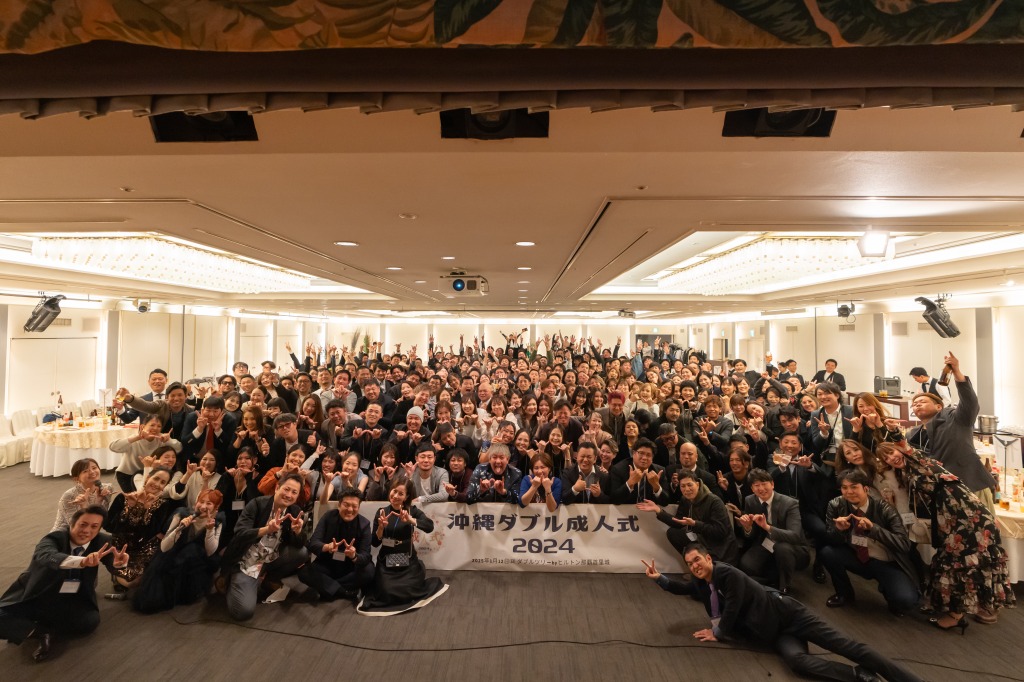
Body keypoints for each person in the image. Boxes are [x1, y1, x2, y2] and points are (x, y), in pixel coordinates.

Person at [642, 546, 923, 682]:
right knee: (798, 663)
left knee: (848, 646)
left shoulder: (726, 573)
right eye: (689, 564)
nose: (694, 566)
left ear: (708, 558)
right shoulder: (703, 583)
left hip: (791, 615)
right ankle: (859, 675)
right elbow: (682, 588)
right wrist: (660, 579)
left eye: (697, 560)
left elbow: (733, 606)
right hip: (774, 631)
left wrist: (718, 632)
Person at [878, 442, 1015, 628]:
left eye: (891, 452)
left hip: (967, 518)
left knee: (961, 563)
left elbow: (919, 458)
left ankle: (958, 615)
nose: (891, 458)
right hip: (954, 519)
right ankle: (963, 609)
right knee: (957, 562)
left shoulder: (922, 462)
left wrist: (904, 445)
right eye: (886, 458)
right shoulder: (909, 471)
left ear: (901, 449)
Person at [0, 506, 129, 662]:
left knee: (89, 622)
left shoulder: (103, 541)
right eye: (83, 524)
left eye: (94, 527)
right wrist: (82, 562)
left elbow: (114, 565)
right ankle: (40, 632)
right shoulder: (54, 538)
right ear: (72, 524)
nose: (87, 530)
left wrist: (119, 565)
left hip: (73, 597)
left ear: (99, 529)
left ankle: (31, 627)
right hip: (39, 593)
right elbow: (46, 556)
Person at [820, 469, 920, 615]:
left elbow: (904, 544)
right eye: (844, 487)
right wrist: (839, 530)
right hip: (858, 557)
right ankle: (844, 594)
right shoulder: (835, 505)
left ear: (866, 489)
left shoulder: (885, 508)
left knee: (906, 601)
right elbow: (830, 539)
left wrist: (874, 529)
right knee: (827, 552)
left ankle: (888, 589)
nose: (849, 492)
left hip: (885, 561)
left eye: (854, 487)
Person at [904, 351, 995, 511]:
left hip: (969, 486)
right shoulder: (912, 434)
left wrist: (957, 373)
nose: (917, 405)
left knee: (984, 527)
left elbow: (970, 403)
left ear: (939, 406)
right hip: (940, 493)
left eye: (922, 401)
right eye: (914, 404)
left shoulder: (954, 418)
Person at [222, 473, 309, 621]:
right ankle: (229, 580)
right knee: (243, 612)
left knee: (302, 553)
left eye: (294, 492)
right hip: (247, 562)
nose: (289, 495)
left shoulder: (294, 511)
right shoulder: (257, 504)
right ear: (277, 487)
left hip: (270, 558)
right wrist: (266, 529)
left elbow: (300, 543)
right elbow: (240, 534)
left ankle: (268, 579)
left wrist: (298, 531)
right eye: (286, 489)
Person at [358, 479, 448, 616]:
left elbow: (429, 526)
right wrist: (381, 527)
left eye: (401, 494)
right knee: (387, 591)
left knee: (408, 590)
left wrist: (411, 520)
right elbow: (375, 543)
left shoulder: (412, 510)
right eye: (394, 491)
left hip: (408, 561)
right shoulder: (382, 512)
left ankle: (416, 572)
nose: (395, 496)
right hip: (386, 562)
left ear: (406, 497)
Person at [132, 489, 223, 613]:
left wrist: (210, 530)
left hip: (194, 561)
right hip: (173, 556)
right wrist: (179, 529)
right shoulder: (181, 514)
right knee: (150, 601)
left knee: (193, 550)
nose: (203, 506)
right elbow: (164, 547)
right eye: (201, 502)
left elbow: (210, 551)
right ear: (196, 502)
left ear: (216, 508)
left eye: (209, 503)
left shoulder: (217, 522)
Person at [638, 470, 739, 564]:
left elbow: (720, 532)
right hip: (701, 539)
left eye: (689, 485)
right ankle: (694, 565)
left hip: (720, 548)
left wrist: (695, 524)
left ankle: (707, 566)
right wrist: (658, 511)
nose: (686, 489)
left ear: (697, 484)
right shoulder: (685, 499)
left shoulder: (714, 501)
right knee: (673, 533)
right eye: (683, 486)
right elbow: (678, 522)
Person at [104, 468, 180, 590]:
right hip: (121, 546)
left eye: (162, 482)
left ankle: (124, 577)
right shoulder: (123, 497)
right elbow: (108, 526)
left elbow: (149, 533)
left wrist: (146, 510)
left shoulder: (163, 504)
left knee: (148, 578)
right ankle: (117, 576)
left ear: (164, 487)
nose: (157, 484)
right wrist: (130, 507)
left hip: (145, 547)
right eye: (156, 478)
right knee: (130, 581)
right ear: (148, 477)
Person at [736, 469, 809, 595]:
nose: (761, 488)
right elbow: (752, 535)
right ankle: (772, 580)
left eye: (764, 484)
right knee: (747, 566)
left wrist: (767, 527)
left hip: (792, 546)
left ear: (772, 484)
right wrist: (747, 528)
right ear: (752, 488)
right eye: (757, 485)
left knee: (782, 549)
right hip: (766, 543)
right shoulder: (750, 500)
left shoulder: (790, 503)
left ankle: (784, 587)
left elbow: (795, 536)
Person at [298, 487, 374, 603]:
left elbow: (365, 556)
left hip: (350, 568)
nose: (350, 509)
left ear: (358, 508)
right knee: (303, 572)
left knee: (369, 571)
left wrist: (354, 555)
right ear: (339, 505)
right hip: (328, 564)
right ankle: (344, 591)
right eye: (346, 505)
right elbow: (313, 543)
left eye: (354, 506)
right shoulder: (328, 517)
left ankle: (329, 588)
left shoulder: (364, 524)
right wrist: (327, 547)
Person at [109, 414, 182, 492]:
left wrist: (169, 440)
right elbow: (112, 447)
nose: (155, 428)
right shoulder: (135, 438)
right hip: (128, 474)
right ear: (143, 426)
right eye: (152, 425)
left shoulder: (161, 440)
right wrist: (137, 437)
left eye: (159, 426)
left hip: (149, 474)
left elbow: (179, 448)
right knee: (135, 497)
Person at [52, 457, 114, 531]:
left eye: (94, 468)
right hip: (65, 533)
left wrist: (99, 501)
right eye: (85, 471)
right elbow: (77, 527)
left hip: (91, 532)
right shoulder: (69, 496)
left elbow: (100, 519)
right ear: (77, 479)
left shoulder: (107, 488)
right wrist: (84, 506)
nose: (92, 472)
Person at [181, 396, 238, 471]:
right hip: (193, 459)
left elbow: (228, 447)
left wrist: (218, 430)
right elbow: (185, 442)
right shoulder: (192, 417)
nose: (211, 414)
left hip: (218, 463)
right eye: (208, 410)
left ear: (222, 411)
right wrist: (199, 429)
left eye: (215, 411)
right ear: (203, 409)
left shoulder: (229, 421)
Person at [609, 438, 667, 504]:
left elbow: (665, 502)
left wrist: (656, 487)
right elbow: (614, 500)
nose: (644, 458)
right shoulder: (619, 469)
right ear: (633, 453)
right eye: (641, 453)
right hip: (626, 509)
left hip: (650, 510)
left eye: (648, 455)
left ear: (652, 458)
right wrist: (629, 483)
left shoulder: (659, 471)